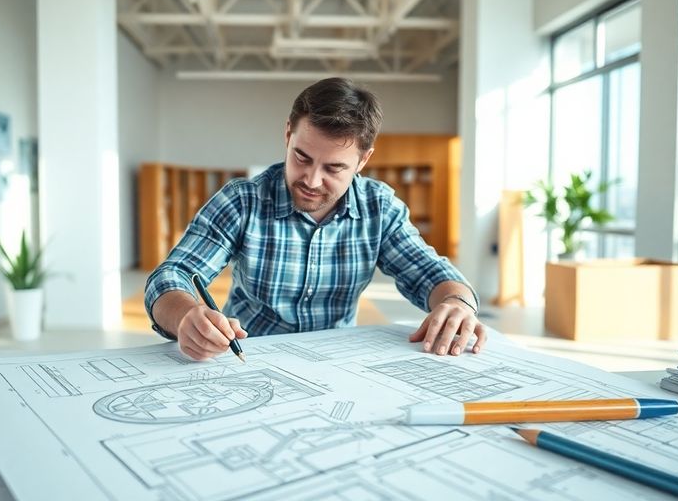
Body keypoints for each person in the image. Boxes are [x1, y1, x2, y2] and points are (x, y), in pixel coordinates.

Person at [145, 77, 485, 361]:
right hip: (249, 356)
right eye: (302, 157)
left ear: (363, 160)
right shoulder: (242, 201)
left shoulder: (378, 208)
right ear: (288, 133)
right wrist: (186, 315)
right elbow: (171, 276)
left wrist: (456, 303)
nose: (311, 180)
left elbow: (432, 273)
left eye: (334, 168)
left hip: (336, 363)